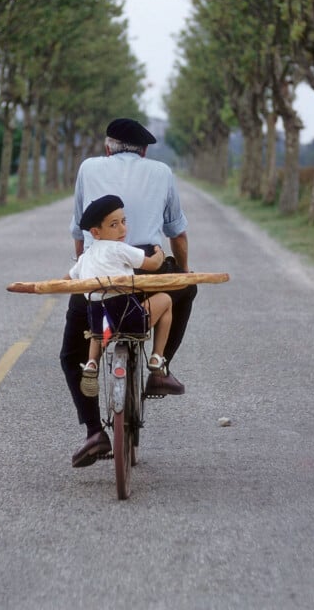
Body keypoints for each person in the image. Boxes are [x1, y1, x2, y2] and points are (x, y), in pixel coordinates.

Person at [61, 117, 197, 468]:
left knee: (71, 352)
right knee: (186, 287)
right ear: (145, 151)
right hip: (145, 266)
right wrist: (181, 271)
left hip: (99, 275)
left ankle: (94, 431)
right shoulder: (162, 172)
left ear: (107, 149)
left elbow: (80, 232)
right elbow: (177, 234)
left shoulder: (88, 168)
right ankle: (159, 365)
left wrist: (85, 268)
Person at [67, 194, 173, 398]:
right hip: (130, 319)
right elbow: (153, 265)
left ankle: (92, 363)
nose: (123, 229)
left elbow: (68, 279)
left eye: (123, 222)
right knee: (166, 300)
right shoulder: (119, 249)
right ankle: (157, 357)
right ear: (96, 232)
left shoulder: (86, 256)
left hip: (103, 325)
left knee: (97, 324)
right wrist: (159, 252)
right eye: (114, 225)